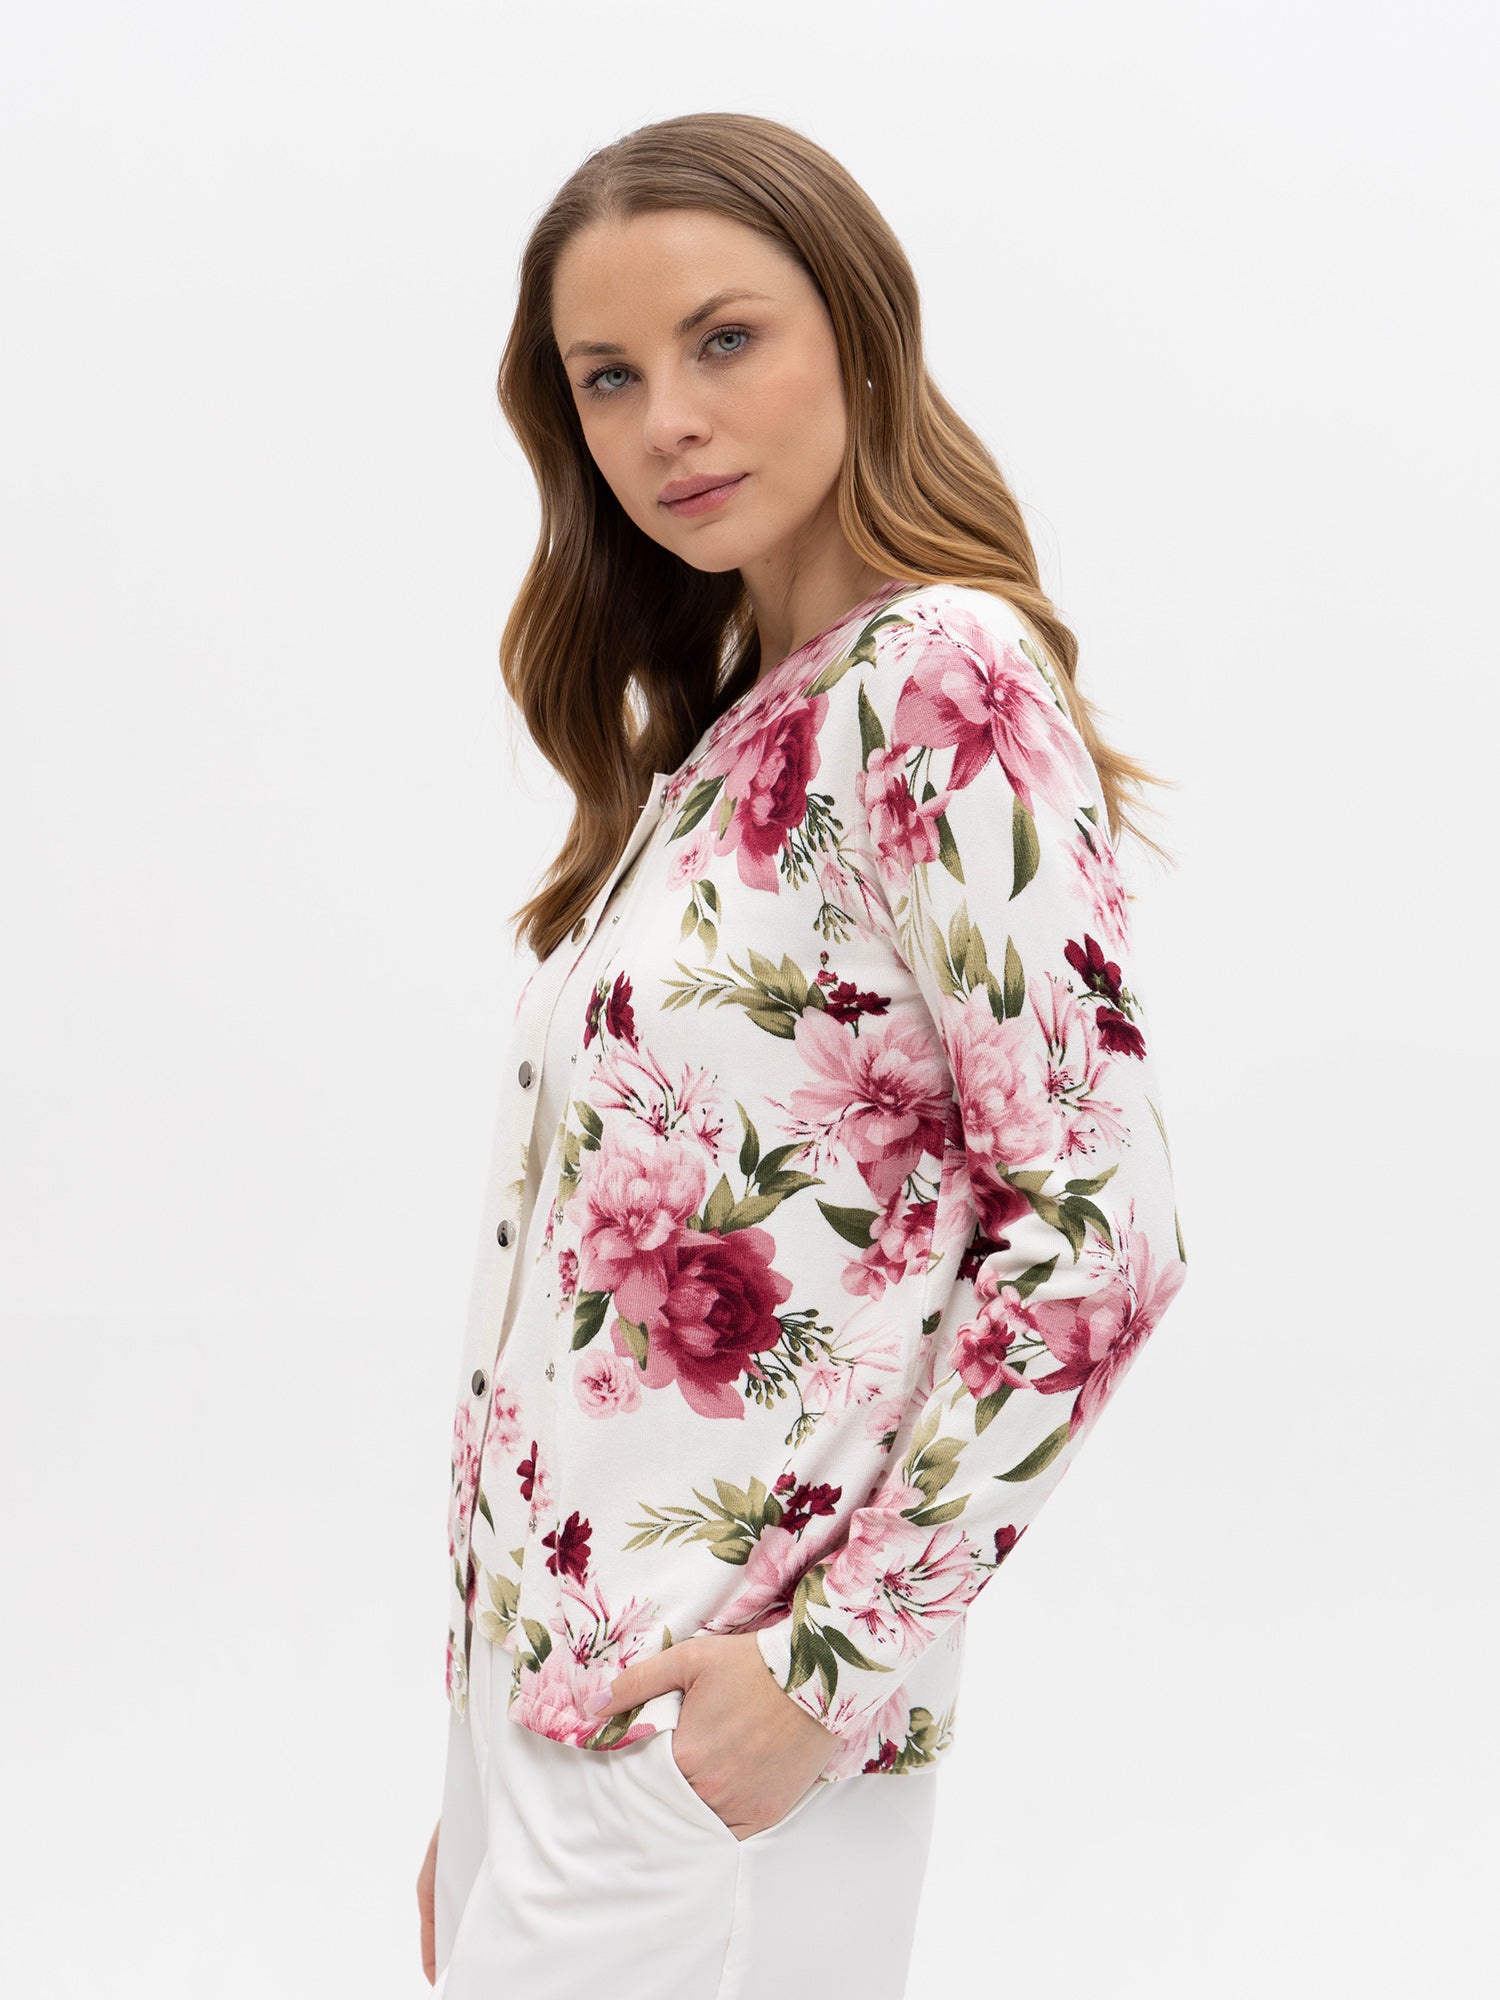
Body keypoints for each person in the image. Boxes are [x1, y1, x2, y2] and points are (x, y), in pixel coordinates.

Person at [415, 110, 1189, 1998]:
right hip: (573, 1716)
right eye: (609, 376)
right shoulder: (736, 735)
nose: (668, 419)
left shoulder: (939, 678)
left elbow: (1101, 1232)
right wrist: (482, 1768)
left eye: (724, 339)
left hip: (715, 1729)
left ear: (857, 327)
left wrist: (820, 1676)